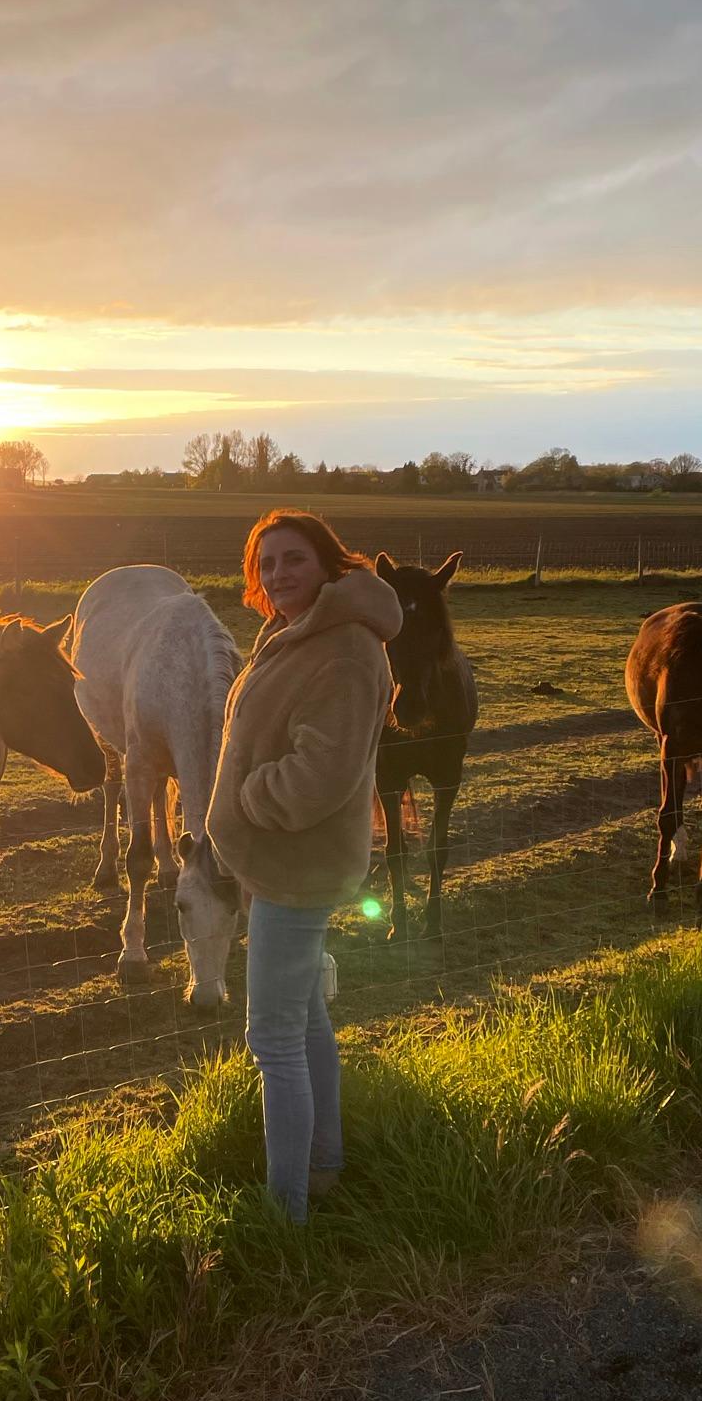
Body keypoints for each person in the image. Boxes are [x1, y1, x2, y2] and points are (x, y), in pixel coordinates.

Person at [206, 510, 401, 1222]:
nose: (278, 575)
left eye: (293, 559)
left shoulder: (345, 649)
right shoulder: (300, 631)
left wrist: (245, 798)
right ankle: (324, 1165)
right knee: (307, 1020)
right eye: (266, 564)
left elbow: (319, 774)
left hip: (297, 866)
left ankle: (283, 1216)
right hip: (279, 862)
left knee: (273, 1039)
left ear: (327, 562)